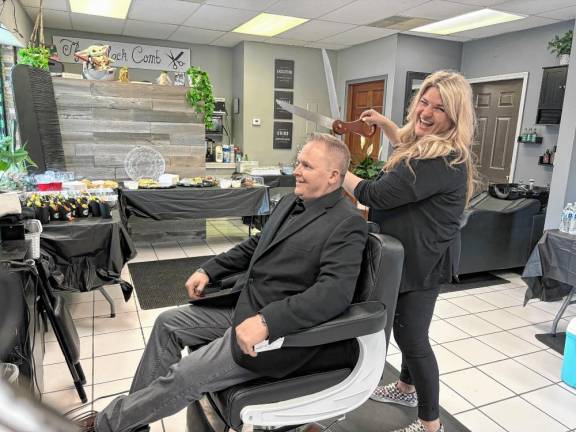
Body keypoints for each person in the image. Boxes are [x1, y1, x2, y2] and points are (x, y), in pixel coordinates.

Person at [79, 133, 368, 432]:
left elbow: (334, 293)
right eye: (298, 162)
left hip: (280, 335)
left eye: (306, 166)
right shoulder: (290, 202)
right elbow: (256, 247)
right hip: (244, 303)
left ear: (334, 176)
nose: (296, 170)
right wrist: (209, 269)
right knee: (167, 322)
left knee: (186, 374)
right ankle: (132, 424)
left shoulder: (347, 223)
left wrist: (267, 322)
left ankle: (107, 426)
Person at [343, 70, 476, 432]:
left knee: (413, 337)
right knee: (406, 328)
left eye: (439, 109)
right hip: (414, 253)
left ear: (455, 117)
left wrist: (337, 169)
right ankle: (405, 388)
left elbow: (375, 194)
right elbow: (407, 135)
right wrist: (385, 123)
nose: (427, 113)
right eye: (424, 102)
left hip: (424, 257)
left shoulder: (439, 159)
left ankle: (431, 424)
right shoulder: (427, 144)